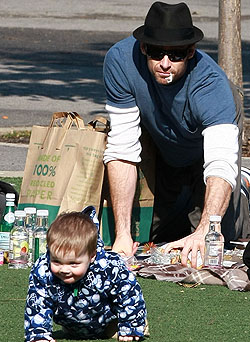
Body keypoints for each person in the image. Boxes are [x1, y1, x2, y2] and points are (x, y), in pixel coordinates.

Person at [103, 1, 250, 268]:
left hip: (205, 151)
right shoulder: (120, 61)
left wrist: (206, 230)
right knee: (158, 236)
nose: (165, 63)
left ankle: (243, 187)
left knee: (215, 242)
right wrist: (122, 235)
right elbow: (122, 149)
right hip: (165, 144)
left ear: (191, 51)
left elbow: (220, 163)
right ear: (143, 47)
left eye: (176, 55)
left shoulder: (212, 87)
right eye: (156, 52)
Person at [24, 206, 147, 342]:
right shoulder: (43, 269)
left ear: (92, 256)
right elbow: (38, 302)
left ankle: (132, 324)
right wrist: (38, 333)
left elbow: (129, 294)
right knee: (71, 330)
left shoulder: (109, 267)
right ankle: (74, 327)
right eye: (57, 261)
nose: (64, 269)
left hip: (105, 319)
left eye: (73, 263)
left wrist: (131, 324)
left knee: (116, 332)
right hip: (69, 320)